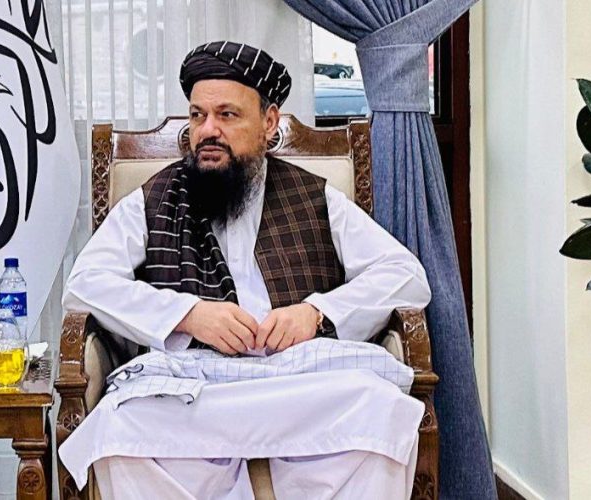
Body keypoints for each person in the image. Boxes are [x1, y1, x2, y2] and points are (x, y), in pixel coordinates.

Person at [59, 41, 432, 500]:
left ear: (268, 123)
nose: (207, 131)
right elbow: (85, 284)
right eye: (198, 116)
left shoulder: (314, 196)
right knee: (120, 425)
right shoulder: (154, 199)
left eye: (227, 115)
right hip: (196, 393)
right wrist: (187, 315)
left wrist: (316, 313)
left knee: (379, 410)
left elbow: (405, 274)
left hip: (299, 389)